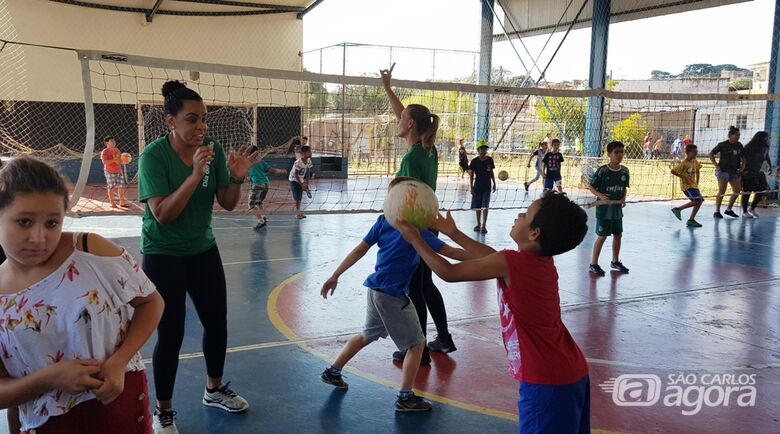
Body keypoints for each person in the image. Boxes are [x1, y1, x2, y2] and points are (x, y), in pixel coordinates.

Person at [394, 194, 590, 434]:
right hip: (569, 371)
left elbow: (448, 272)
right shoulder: (539, 261)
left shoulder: (512, 263)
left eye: (525, 214)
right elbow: (489, 255)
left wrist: (414, 238)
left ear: (534, 233)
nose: (518, 216)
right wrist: (452, 232)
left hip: (547, 380)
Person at [0, 156, 164, 433]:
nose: (39, 237)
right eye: (24, 222)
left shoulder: (90, 251)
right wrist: (49, 378)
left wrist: (119, 360)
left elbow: (151, 301)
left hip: (119, 407)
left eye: (52, 223)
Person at [137, 80, 255, 434]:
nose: (201, 126)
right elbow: (163, 214)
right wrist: (193, 176)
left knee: (217, 323)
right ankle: (164, 410)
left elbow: (228, 202)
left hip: (203, 249)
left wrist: (235, 178)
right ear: (170, 122)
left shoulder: (213, 149)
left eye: (203, 119)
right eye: (192, 119)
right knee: (170, 333)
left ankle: (214, 388)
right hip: (163, 254)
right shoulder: (153, 157)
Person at [319, 177, 471, 412]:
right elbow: (451, 252)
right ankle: (405, 397)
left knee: (367, 334)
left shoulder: (383, 222)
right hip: (392, 296)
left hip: (375, 290)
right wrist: (485, 258)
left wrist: (335, 275)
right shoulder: (417, 233)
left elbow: (360, 249)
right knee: (417, 344)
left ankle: (333, 371)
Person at [380, 64, 455, 361]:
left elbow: (406, 199)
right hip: (429, 223)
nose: (397, 120)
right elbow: (406, 114)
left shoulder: (413, 156)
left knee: (415, 287)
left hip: (416, 226)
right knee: (425, 283)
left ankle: (419, 351)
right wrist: (388, 89)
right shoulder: (428, 148)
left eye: (402, 119)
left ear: (410, 125)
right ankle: (444, 338)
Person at [588, 141, 630, 276]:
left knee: (618, 235)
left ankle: (615, 261)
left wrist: (623, 198)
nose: (619, 155)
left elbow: (624, 188)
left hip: (617, 209)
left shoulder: (624, 171)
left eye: (621, 152)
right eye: (616, 152)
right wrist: (600, 195)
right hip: (604, 209)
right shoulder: (603, 171)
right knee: (602, 236)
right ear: (609, 154)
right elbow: (591, 187)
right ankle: (593, 264)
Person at [709, 126, 745, 219]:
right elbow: (711, 153)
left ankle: (728, 209)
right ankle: (717, 211)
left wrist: (742, 167)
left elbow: (743, 157)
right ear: (730, 135)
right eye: (736, 135)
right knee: (722, 191)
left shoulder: (739, 145)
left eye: (739, 135)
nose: (738, 137)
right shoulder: (722, 144)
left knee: (737, 190)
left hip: (734, 171)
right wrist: (716, 165)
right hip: (723, 171)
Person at [247, 155, 288, 230]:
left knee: (251, 205)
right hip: (266, 184)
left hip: (257, 184)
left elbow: (246, 178)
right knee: (259, 202)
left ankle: (261, 221)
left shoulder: (247, 163)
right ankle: (264, 218)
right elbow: (273, 171)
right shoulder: (261, 162)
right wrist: (282, 171)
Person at [670, 144, 704, 227]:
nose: (696, 153)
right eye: (695, 152)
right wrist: (683, 177)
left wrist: (697, 181)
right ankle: (677, 209)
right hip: (687, 186)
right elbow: (673, 171)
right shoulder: (684, 163)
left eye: (697, 151)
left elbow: (698, 170)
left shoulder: (694, 161)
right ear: (689, 153)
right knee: (697, 201)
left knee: (700, 201)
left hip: (694, 185)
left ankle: (691, 220)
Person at [741, 131, 772, 218]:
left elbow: (767, 157)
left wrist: (770, 166)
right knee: (747, 192)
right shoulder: (749, 147)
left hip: (759, 173)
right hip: (748, 172)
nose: (767, 139)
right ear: (760, 138)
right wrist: (742, 169)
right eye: (765, 137)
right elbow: (743, 158)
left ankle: (752, 208)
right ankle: (744, 211)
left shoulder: (765, 147)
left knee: (762, 190)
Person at [469, 143, 496, 234]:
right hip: (477, 186)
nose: (484, 151)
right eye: (482, 149)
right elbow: (471, 175)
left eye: (485, 149)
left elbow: (491, 172)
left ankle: (484, 225)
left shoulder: (490, 160)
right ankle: (478, 224)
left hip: (487, 186)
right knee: (478, 206)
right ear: (478, 150)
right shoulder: (474, 161)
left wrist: (494, 183)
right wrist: (471, 187)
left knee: (485, 206)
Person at [101, 136, 127, 208]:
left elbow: (119, 161)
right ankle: (112, 203)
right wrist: (114, 160)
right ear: (107, 143)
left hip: (118, 170)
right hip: (109, 171)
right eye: (111, 141)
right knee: (111, 187)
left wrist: (124, 160)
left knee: (121, 187)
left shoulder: (117, 150)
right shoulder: (105, 152)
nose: (114, 142)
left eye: (114, 141)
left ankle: (122, 202)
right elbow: (105, 162)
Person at [289, 145, 314, 220]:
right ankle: (297, 214)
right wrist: (302, 184)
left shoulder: (309, 161)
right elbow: (296, 174)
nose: (311, 153)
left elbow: (308, 172)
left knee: (300, 196)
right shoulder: (298, 162)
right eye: (309, 152)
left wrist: (306, 184)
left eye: (310, 151)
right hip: (294, 179)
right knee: (298, 198)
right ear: (303, 153)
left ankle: (306, 190)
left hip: (301, 178)